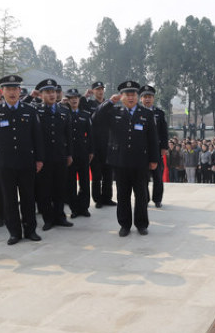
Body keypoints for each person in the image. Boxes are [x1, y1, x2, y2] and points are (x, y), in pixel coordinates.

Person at [0, 75, 44, 245]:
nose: (12, 92)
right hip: (4, 163)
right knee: (9, 200)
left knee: (28, 198)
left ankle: (30, 230)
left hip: (26, 162)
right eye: (8, 89)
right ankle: (14, 233)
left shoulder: (29, 110)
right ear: (2, 92)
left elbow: (37, 136)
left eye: (15, 89)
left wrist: (39, 159)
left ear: (19, 91)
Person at [95, 80, 159, 237]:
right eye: (127, 95)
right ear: (121, 96)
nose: (130, 98)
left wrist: (154, 159)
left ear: (137, 96)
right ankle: (124, 224)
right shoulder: (114, 112)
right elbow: (96, 118)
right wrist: (109, 102)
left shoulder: (147, 114)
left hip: (140, 162)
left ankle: (141, 224)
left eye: (133, 95)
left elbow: (152, 139)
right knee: (123, 195)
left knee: (141, 195)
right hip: (120, 162)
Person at [29, 79, 73, 231]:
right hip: (44, 157)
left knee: (60, 188)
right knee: (45, 190)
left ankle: (60, 217)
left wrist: (69, 154)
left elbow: (68, 135)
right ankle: (48, 219)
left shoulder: (64, 111)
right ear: (41, 95)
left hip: (60, 156)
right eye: (47, 92)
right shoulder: (36, 110)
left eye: (53, 92)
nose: (52, 95)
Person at [63, 88, 94, 218]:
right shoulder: (64, 114)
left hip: (83, 152)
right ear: (68, 100)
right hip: (70, 153)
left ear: (79, 99)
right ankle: (74, 208)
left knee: (85, 181)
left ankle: (84, 208)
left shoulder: (85, 115)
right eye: (71, 98)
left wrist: (91, 151)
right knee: (71, 183)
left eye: (76, 98)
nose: (74, 100)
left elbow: (91, 135)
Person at [139, 85, 168, 208]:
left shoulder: (159, 113)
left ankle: (157, 199)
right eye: (145, 97)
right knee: (143, 177)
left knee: (158, 176)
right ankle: (145, 199)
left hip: (156, 150)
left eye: (149, 97)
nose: (147, 99)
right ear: (141, 99)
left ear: (153, 98)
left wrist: (164, 148)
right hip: (142, 150)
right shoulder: (137, 113)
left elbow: (164, 132)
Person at [88, 81, 116, 209]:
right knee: (96, 175)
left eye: (101, 89)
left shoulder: (111, 105)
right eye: (97, 89)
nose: (100, 91)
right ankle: (97, 199)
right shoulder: (90, 104)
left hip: (108, 144)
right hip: (95, 144)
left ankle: (107, 197)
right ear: (93, 91)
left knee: (108, 174)